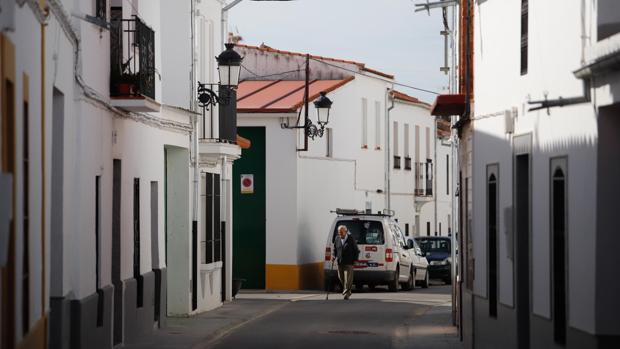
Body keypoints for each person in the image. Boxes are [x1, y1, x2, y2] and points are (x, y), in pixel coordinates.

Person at [333, 225, 360, 300]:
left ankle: (347, 293)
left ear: (345, 231)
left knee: (348, 279)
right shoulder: (337, 238)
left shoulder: (351, 239)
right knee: (340, 277)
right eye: (339, 232)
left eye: (341, 232)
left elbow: (356, 250)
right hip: (340, 261)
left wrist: (355, 260)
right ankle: (347, 289)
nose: (340, 234)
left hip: (349, 262)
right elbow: (335, 249)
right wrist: (333, 256)